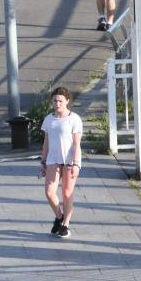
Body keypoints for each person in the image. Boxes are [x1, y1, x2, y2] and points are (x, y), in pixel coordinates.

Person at [40, 87, 83, 238]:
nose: (57, 103)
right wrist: (43, 161)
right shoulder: (48, 119)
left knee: (66, 193)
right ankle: (59, 217)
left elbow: (77, 143)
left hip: (70, 160)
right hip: (53, 159)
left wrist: (76, 163)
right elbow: (46, 142)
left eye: (60, 101)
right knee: (49, 192)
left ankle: (66, 224)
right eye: (55, 100)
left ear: (67, 101)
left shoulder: (74, 119)